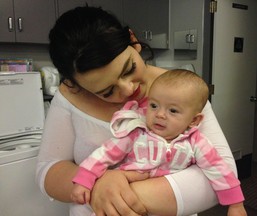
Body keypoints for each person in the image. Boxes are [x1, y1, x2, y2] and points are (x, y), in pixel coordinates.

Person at [36, 6, 240, 216]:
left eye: (129, 69)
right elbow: (47, 168)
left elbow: (223, 172)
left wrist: (115, 192)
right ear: (77, 84)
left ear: (133, 40)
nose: (128, 89)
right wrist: (98, 185)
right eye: (107, 92)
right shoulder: (70, 96)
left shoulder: (183, 93)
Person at [70, 69, 246, 215]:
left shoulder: (196, 143)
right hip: (129, 204)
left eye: (173, 110)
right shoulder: (136, 134)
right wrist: (84, 179)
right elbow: (105, 154)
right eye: (154, 106)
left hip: (171, 208)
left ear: (194, 120)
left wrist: (235, 204)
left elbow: (218, 169)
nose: (160, 114)